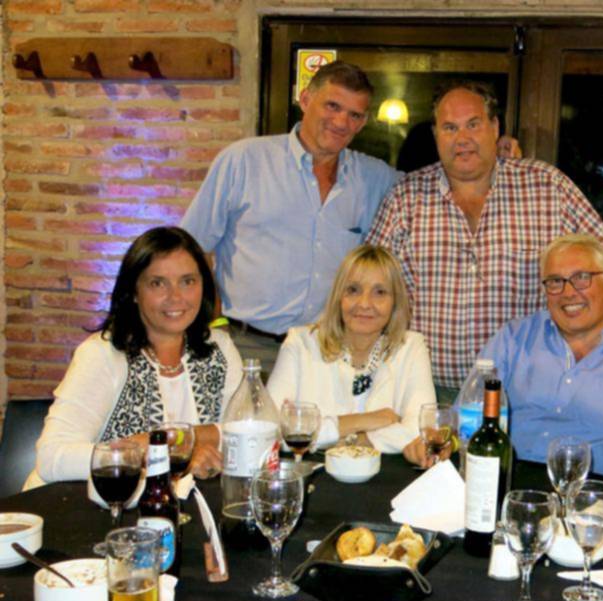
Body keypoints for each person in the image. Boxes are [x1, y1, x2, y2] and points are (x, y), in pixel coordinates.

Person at [367, 80, 603, 399]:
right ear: (436, 134)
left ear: (495, 127)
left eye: (473, 124)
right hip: (428, 392)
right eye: (450, 127)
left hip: (526, 393)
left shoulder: (547, 186)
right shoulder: (404, 198)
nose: (462, 139)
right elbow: (367, 279)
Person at [181, 60, 400, 371]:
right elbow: (190, 248)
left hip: (329, 351)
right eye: (332, 106)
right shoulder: (244, 160)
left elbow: (430, 186)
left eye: (354, 115)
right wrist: (213, 321)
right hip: (246, 347)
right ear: (306, 99)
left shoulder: (374, 178)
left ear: (363, 122)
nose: (341, 122)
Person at [30, 227, 243, 487]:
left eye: (188, 281)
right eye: (157, 283)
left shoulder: (218, 347)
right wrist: (160, 454)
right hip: (82, 504)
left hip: (173, 505)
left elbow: (250, 432)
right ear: (133, 291)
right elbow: (52, 458)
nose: (176, 297)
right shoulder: (101, 354)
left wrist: (174, 439)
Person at [479, 235, 603, 476]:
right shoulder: (514, 339)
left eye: (582, 278)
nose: (568, 292)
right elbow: (468, 417)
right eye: (555, 281)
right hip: (509, 482)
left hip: (598, 490)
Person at [267, 245, 436, 467]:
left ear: (395, 301)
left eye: (380, 292)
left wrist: (356, 440)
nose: (364, 303)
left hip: (385, 479)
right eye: (353, 290)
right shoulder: (300, 344)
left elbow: (422, 430)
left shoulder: (411, 347)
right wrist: (363, 421)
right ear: (339, 296)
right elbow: (269, 432)